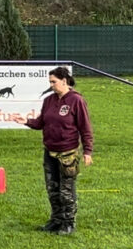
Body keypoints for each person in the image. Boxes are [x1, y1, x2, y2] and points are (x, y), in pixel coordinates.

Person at [12, 66, 94, 235]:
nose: (51, 85)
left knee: (66, 190)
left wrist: (87, 151)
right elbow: (41, 122)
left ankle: (68, 223)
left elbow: (85, 127)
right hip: (49, 151)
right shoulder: (49, 100)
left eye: (54, 82)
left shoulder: (76, 100)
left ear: (64, 81)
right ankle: (56, 220)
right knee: (52, 189)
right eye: (50, 82)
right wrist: (26, 121)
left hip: (68, 153)